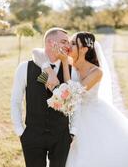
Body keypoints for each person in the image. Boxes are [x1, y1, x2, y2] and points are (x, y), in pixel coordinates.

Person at [32, 31, 128, 167]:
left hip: (92, 115)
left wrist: (65, 63)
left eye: (73, 43)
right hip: (69, 113)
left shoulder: (96, 72)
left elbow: (74, 93)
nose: (68, 46)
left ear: (84, 49)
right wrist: (50, 71)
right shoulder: (68, 61)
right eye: (69, 42)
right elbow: (36, 52)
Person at [11, 27, 74, 167]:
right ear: (51, 42)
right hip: (32, 135)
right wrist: (20, 132)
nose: (68, 46)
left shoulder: (70, 69)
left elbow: (75, 104)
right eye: (64, 41)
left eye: (68, 42)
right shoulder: (24, 68)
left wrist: (72, 132)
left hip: (61, 135)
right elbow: (15, 101)